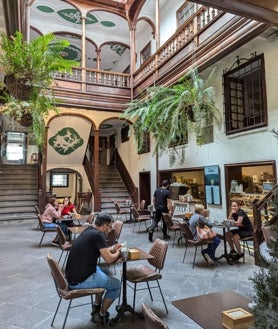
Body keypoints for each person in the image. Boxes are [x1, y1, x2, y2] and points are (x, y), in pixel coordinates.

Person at [65, 212, 122, 324]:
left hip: (73, 275)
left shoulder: (89, 230)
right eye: (110, 227)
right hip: (80, 280)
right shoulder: (98, 235)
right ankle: (100, 314)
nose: (110, 230)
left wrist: (111, 248)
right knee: (116, 285)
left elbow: (100, 250)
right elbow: (109, 259)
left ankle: (96, 305)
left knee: (108, 272)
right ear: (105, 226)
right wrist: (119, 253)